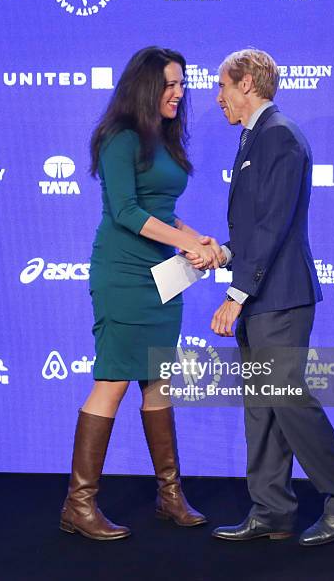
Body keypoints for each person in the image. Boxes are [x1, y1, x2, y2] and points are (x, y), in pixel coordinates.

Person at [59, 47, 225, 540]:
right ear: (146, 87)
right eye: (170, 85)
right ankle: (78, 504)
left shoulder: (165, 139)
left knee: (159, 380)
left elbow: (162, 209)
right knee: (113, 378)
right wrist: (187, 243)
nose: (179, 93)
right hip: (124, 273)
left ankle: (169, 495)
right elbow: (127, 212)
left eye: (182, 85)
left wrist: (197, 240)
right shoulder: (119, 137)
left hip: (166, 274)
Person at [203, 48, 334, 546]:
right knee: (262, 403)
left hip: (279, 297)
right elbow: (258, 229)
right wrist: (224, 253)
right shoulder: (260, 137)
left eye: (223, 86)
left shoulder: (279, 136)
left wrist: (235, 293)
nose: (218, 98)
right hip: (262, 295)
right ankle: (272, 509)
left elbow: (275, 226)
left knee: (288, 399)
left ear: (248, 82)